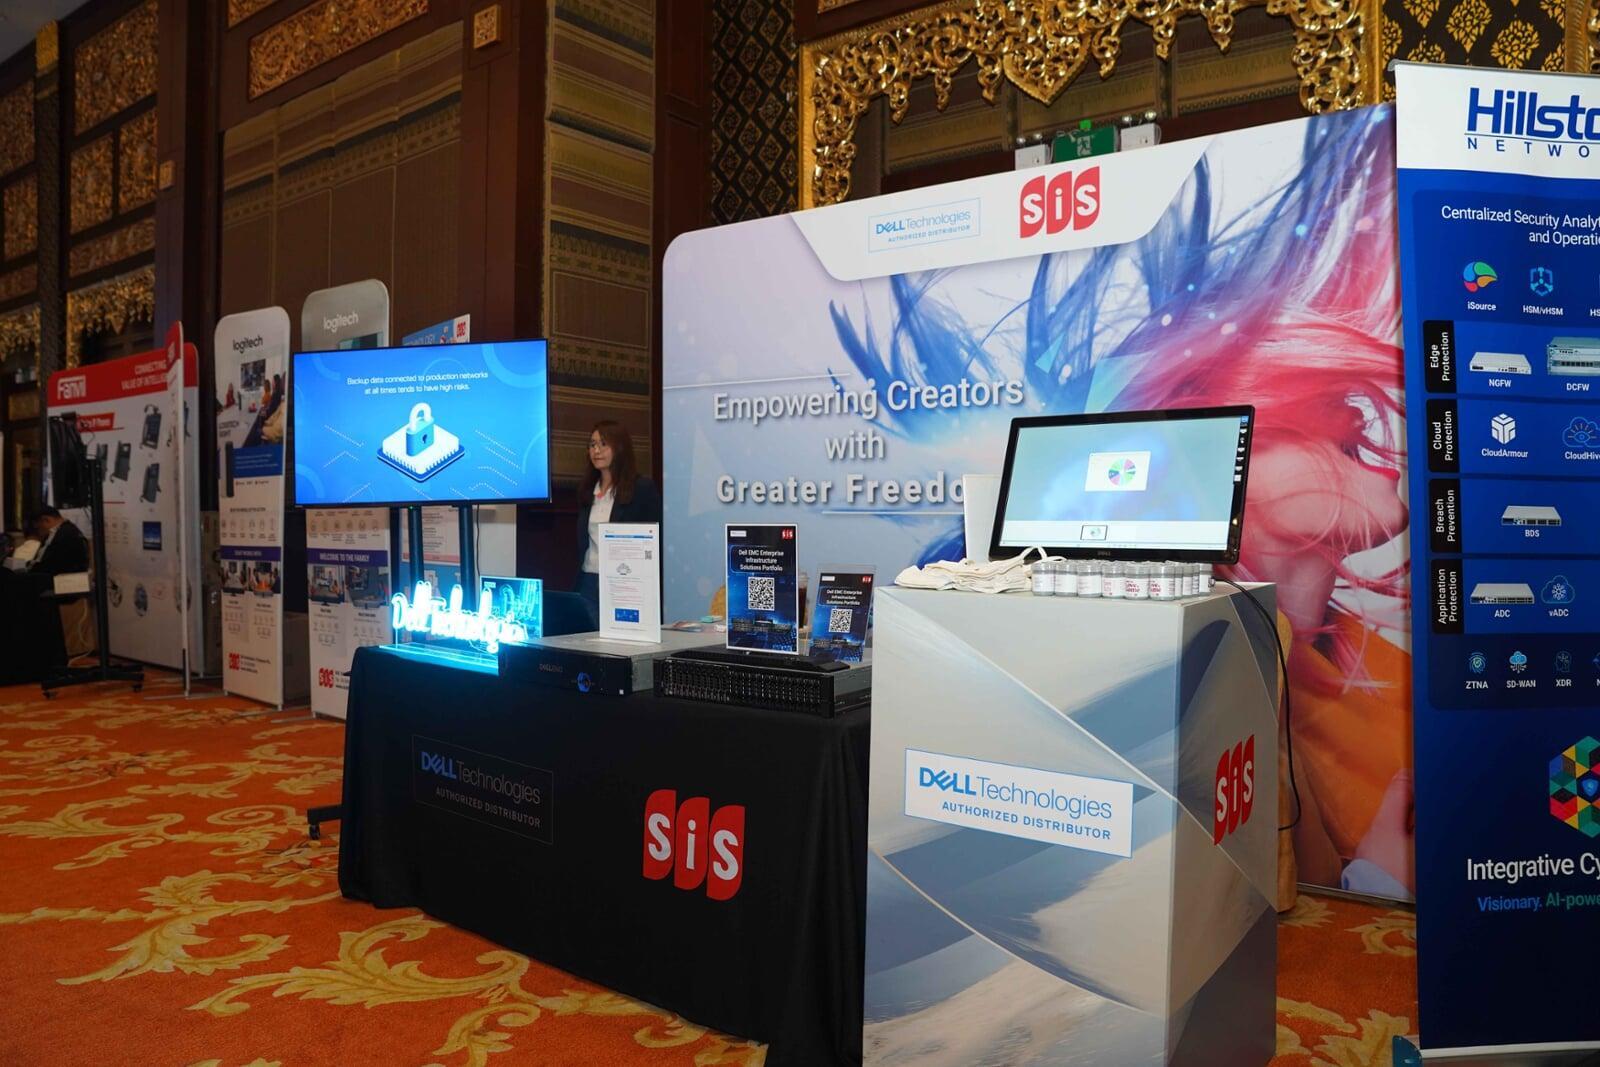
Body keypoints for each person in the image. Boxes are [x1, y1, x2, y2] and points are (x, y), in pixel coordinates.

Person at [575, 420, 660, 622]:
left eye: (604, 444)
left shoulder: (641, 488)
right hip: (589, 579)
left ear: (620, 448)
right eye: (592, 445)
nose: (596, 450)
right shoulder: (588, 489)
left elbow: (655, 537)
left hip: (624, 582)